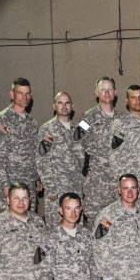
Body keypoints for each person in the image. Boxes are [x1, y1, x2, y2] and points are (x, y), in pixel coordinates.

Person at [74, 77, 126, 226]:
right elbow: (76, 144)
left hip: (119, 181)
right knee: (95, 223)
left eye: (110, 89)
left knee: (118, 223)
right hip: (96, 183)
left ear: (115, 93)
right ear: (97, 92)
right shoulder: (87, 118)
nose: (107, 93)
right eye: (103, 89)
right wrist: (86, 170)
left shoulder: (124, 119)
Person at [0, 78, 42, 212]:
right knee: (11, 227)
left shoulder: (32, 122)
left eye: (27, 93)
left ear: (31, 95)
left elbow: (34, 153)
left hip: (29, 186)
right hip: (12, 183)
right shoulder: (1, 120)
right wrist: (5, 184)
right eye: (20, 93)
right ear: (12, 94)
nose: (24, 97)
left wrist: (37, 178)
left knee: (29, 225)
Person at [36, 92, 85, 227]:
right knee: (56, 228)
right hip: (56, 189)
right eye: (60, 103)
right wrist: (50, 188)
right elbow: (42, 160)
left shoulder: (78, 130)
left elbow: (83, 158)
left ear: (72, 106)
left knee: (76, 227)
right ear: (54, 106)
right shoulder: (47, 129)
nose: (64, 106)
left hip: (76, 188)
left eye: (67, 103)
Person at [109, 85, 140, 211]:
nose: (137, 101)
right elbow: (115, 157)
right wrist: (126, 187)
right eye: (133, 98)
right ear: (127, 100)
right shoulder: (121, 125)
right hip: (134, 188)